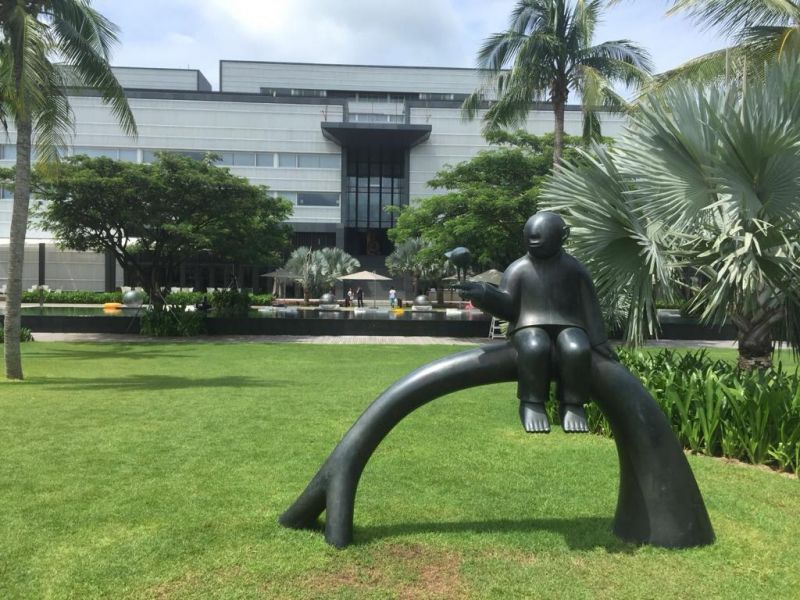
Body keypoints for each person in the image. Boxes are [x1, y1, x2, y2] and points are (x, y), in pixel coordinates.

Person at [454, 212, 613, 434]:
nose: (534, 242)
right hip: (527, 325)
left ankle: (572, 404)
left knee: (577, 348)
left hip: (569, 324)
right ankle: (532, 402)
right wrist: (484, 294)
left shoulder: (574, 269)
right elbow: (508, 306)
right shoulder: (519, 269)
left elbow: (590, 307)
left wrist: (599, 342)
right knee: (534, 347)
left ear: (564, 236)